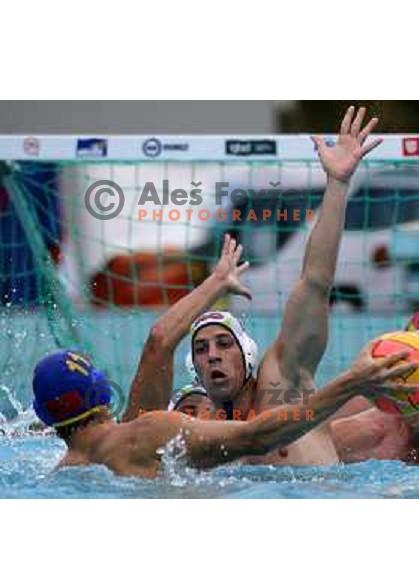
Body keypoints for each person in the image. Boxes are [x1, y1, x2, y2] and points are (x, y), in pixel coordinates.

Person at [123, 105, 384, 465]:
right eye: (200, 349)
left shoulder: (283, 381)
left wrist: (337, 184)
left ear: (247, 355)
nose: (212, 353)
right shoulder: (206, 440)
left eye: (223, 343)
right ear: (195, 371)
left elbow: (315, 284)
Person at [32, 345, 417, 478]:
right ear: (101, 393)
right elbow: (258, 435)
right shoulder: (149, 431)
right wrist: (353, 381)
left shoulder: (60, 473)